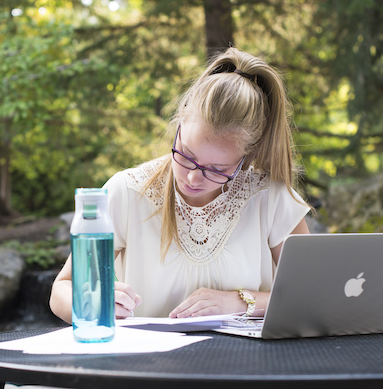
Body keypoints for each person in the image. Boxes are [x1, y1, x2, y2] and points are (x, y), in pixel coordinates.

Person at [50, 47, 311, 321]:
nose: (192, 177)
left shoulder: (271, 198)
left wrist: (238, 302)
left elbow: (313, 295)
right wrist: (93, 303)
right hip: (148, 362)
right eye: (186, 155)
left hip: (250, 362)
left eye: (216, 170)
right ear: (179, 123)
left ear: (247, 157)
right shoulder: (126, 192)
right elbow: (62, 290)